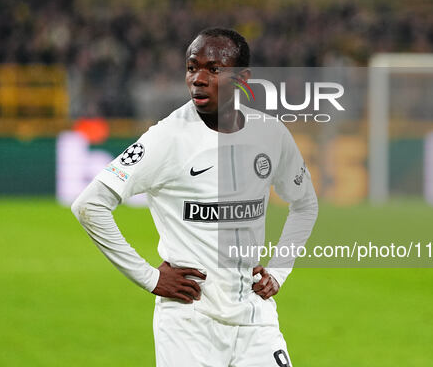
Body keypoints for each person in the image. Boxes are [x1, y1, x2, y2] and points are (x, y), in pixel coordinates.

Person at [71, 27, 318, 367]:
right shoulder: (167, 138)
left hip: (256, 321)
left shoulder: (270, 133)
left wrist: (279, 270)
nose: (198, 79)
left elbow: (305, 204)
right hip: (189, 324)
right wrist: (150, 277)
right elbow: (89, 205)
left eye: (213, 70)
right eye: (191, 67)